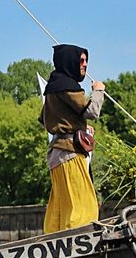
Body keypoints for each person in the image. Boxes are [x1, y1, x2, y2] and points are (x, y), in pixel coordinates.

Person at [41, 43, 106, 233]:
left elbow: (44, 118)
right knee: (83, 204)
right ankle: (78, 242)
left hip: (57, 154)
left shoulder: (53, 87)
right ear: (70, 61)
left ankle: (54, 238)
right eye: (81, 60)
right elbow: (92, 111)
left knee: (61, 206)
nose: (85, 65)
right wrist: (98, 90)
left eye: (86, 61)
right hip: (69, 153)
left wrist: (76, 126)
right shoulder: (67, 86)